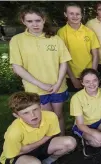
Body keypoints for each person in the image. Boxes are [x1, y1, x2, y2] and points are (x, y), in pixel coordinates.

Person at [10, 5, 71, 135]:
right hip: (35, 89)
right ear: (23, 21)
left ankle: (62, 139)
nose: (35, 24)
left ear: (43, 20)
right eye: (30, 21)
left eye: (38, 20)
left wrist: (59, 82)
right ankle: (49, 143)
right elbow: (17, 67)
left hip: (57, 86)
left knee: (58, 116)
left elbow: (64, 62)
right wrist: (41, 84)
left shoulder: (55, 39)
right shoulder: (17, 40)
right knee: (45, 118)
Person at [0, 92, 76, 164]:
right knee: (34, 163)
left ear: (40, 107)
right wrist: (45, 138)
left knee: (70, 142)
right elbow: (12, 154)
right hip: (18, 156)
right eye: (26, 113)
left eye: (35, 109)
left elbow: (51, 135)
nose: (33, 115)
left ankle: (48, 161)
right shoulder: (14, 132)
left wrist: (26, 147)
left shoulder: (51, 116)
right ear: (16, 115)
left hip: (36, 147)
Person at [70, 68, 101, 149]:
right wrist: (94, 133)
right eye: (87, 82)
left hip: (99, 121)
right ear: (82, 83)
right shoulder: (76, 98)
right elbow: (80, 124)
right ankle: (86, 140)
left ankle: (100, 134)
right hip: (84, 125)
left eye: (94, 80)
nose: (91, 84)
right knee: (98, 143)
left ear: (98, 81)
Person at [57, 3, 100, 92]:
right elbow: (63, 58)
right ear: (65, 14)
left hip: (89, 73)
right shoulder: (61, 33)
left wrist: (92, 74)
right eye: (71, 13)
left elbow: (95, 55)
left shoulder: (89, 32)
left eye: (77, 14)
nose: (75, 16)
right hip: (71, 75)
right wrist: (73, 78)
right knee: (75, 100)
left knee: (92, 99)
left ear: (81, 15)